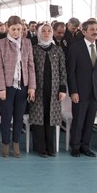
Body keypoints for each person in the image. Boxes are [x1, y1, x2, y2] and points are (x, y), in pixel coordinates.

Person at [0, 16, 36, 158]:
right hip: (7, 85)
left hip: (23, 85)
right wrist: (1, 88)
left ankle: (16, 143)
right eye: (13, 29)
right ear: (7, 28)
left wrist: (32, 86)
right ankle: (5, 143)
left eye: (19, 29)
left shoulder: (27, 43)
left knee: (19, 117)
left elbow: (31, 65)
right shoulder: (0, 44)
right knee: (6, 116)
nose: (16, 32)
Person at [66, 20, 97, 157]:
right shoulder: (75, 47)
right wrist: (73, 91)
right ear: (84, 32)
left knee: (90, 121)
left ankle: (86, 146)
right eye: (92, 29)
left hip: (96, 92)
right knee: (78, 120)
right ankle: (75, 146)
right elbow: (71, 72)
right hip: (80, 91)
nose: (95, 31)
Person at [28, 24, 67, 157]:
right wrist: (30, 87)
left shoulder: (58, 50)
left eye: (48, 30)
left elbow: (63, 70)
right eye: (43, 31)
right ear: (38, 33)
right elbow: (29, 69)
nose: (46, 33)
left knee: (50, 118)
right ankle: (40, 148)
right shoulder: (34, 49)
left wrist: (63, 88)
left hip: (54, 89)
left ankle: (50, 147)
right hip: (37, 89)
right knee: (39, 117)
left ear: (52, 33)